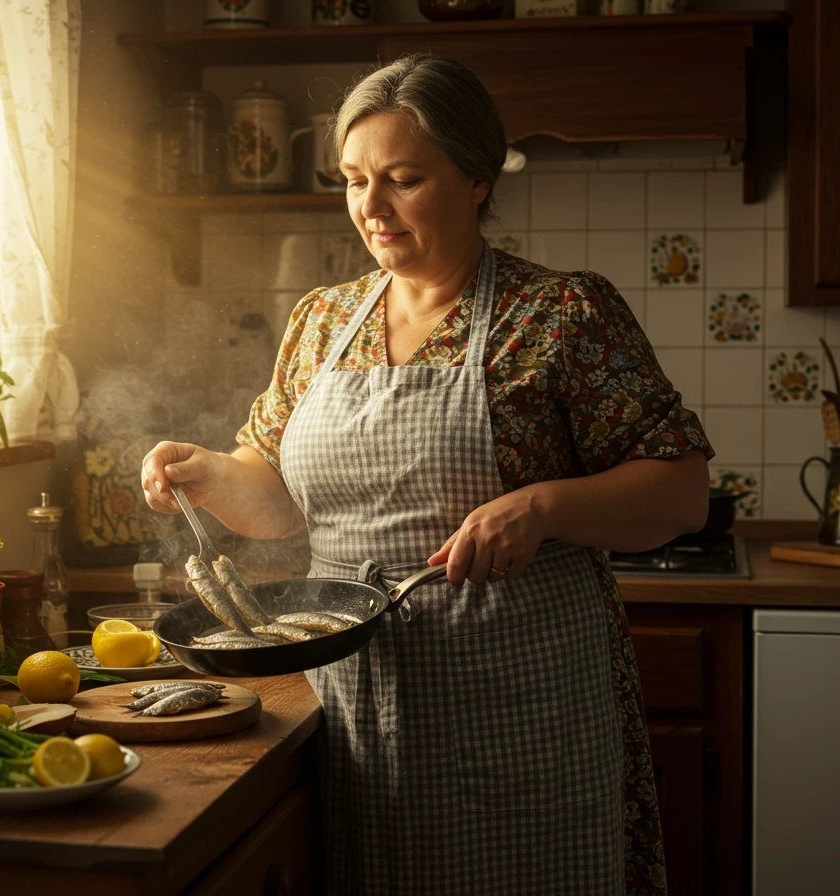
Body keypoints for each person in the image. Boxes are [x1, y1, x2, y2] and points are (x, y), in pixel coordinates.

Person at [141, 53, 714, 896]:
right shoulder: (322, 319)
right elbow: (277, 502)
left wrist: (545, 506)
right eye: (353, 179)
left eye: (403, 179)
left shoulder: (559, 314)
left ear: (476, 178)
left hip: (519, 700)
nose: (371, 208)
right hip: (352, 704)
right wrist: (204, 473)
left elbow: (682, 491)